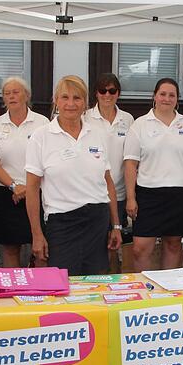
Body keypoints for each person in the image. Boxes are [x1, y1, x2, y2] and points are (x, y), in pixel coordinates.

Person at [25, 75, 122, 275]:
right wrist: (37, 234)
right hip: (62, 223)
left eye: (77, 98)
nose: (71, 104)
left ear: (85, 103)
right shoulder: (40, 137)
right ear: (56, 100)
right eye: (65, 97)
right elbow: (32, 189)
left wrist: (116, 225)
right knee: (63, 282)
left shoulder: (96, 134)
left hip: (97, 220)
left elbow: (107, 182)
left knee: (96, 283)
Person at [124, 78, 183, 271]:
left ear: (177, 99)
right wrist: (131, 198)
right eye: (163, 94)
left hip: (180, 194)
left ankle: (169, 291)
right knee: (141, 249)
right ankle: (145, 294)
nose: (167, 99)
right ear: (155, 96)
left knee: (173, 244)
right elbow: (130, 163)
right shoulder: (140, 125)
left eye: (172, 95)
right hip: (149, 195)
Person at [0, 77, 48, 267]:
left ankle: (40, 290)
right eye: (7, 93)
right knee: (11, 247)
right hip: (7, 194)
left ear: (26, 95)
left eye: (16, 92)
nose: (11, 96)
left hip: (37, 192)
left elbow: (49, 158)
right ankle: (13, 291)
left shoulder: (42, 123)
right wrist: (14, 186)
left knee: (41, 248)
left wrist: (29, 188)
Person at [85, 73, 135, 269]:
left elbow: (131, 157)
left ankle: (113, 281)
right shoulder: (85, 117)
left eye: (112, 90)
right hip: (92, 192)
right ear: (96, 94)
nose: (107, 94)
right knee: (95, 243)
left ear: (118, 93)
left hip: (119, 193)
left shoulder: (128, 119)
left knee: (114, 241)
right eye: (103, 90)